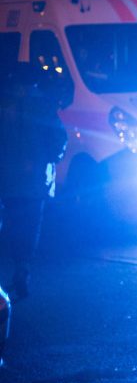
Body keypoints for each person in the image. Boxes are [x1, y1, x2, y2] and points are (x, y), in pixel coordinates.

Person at [0, 62, 68, 300]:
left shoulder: (3, 104)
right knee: (30, 226)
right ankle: (22, 269)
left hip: (6, 179)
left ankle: (12, 267)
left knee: (9, 223)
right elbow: (59, 139)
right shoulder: (44, 105)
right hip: (35, 180)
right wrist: (49, 159)